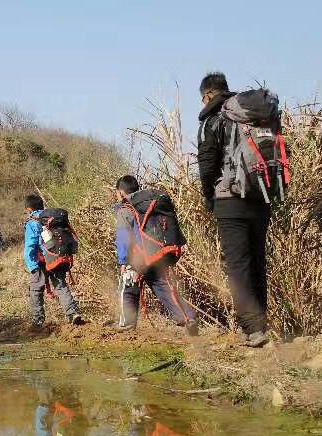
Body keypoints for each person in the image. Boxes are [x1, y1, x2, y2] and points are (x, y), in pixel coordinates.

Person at [197, 72, 272, 347]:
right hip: (261, 197)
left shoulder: (212, 120)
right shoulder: (253, 116)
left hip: (230, 200)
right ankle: (259, 325)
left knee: (238, 266)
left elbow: (207, 166)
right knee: (257, 261)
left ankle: (253, 329)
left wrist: (209, 198)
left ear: (207, 95)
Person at [114, 175, 198, 336]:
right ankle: (188, 318)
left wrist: (123, 261)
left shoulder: (126, 209)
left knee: (128, 286)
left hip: (139, 257)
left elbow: (123, 237)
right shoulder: (147, 204)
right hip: (157, 252)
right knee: (165, 288)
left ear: (121, 192)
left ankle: (127, 323)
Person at [24, 194, 84, 327]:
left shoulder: (32, 222)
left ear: (29, 209)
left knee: (36, 290)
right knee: (61, 286)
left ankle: (37, 320)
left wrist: (31, 264)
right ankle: (73, 313)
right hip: (56, 257)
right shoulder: (50, 218)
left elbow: (30, 245)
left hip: (40, 261)